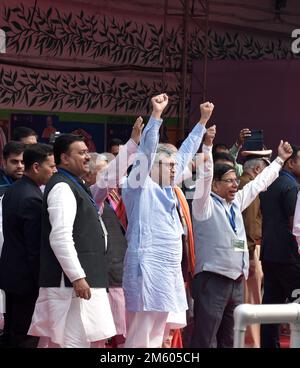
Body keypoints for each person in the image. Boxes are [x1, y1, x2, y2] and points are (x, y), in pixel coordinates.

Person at [122, 93, 214, 348]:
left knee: (159, 336)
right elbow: (147, 150)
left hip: (168, 272)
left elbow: (185, 153)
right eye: (167, 165)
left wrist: (202, 121)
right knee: (141, 337)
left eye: (175, 166)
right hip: (146, 271)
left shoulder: (169, 189)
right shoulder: (139, 186)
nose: (175, 169)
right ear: (149, 166)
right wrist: (156, 116)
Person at [191, 138, 293, 348]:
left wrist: (280, 160)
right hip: (213, 280)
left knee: (230, 338)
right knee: (206, 338)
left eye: (236, 180)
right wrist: (208, 146)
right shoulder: (204, 206)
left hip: (236, 280)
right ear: (215, 184)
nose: (235, 185)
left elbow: (258, 184)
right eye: (229, 181)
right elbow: (204, 177)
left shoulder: (235, 202)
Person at [28, 134, 116, 348]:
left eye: (87, 152)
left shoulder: (75, 184)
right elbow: (60, 238)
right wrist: (77, 277)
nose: (87, 157)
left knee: (89, 341)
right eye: (82, 153)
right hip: (71, 286)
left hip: (85, 282)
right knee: (71, 342)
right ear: (64, 159)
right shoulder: (62, 187)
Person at [0, 143, 56, 347]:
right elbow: (34, 248)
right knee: (25, 334)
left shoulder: (14, 190)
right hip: (26, 279)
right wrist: (42, 279)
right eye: (51, 166)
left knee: (12, 330)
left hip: (11, 273)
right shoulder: (33, 198)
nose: (54, 171)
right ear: (36, 167)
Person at [260, 145, 300, 348]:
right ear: (291, 162)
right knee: (297, 308)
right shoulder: (292, 187)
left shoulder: (270, 182)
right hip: (289, 256)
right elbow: (296, 224)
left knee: (271, 308)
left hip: (269, 254)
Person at [239, 152, 271, 348]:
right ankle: (251, 344)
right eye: (266, 171)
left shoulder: (242, 183)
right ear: (258, 169)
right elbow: (250, 224)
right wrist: (251, 256)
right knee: (251, 302)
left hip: (245, 249)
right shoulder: (248, 186)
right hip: (250, 250)